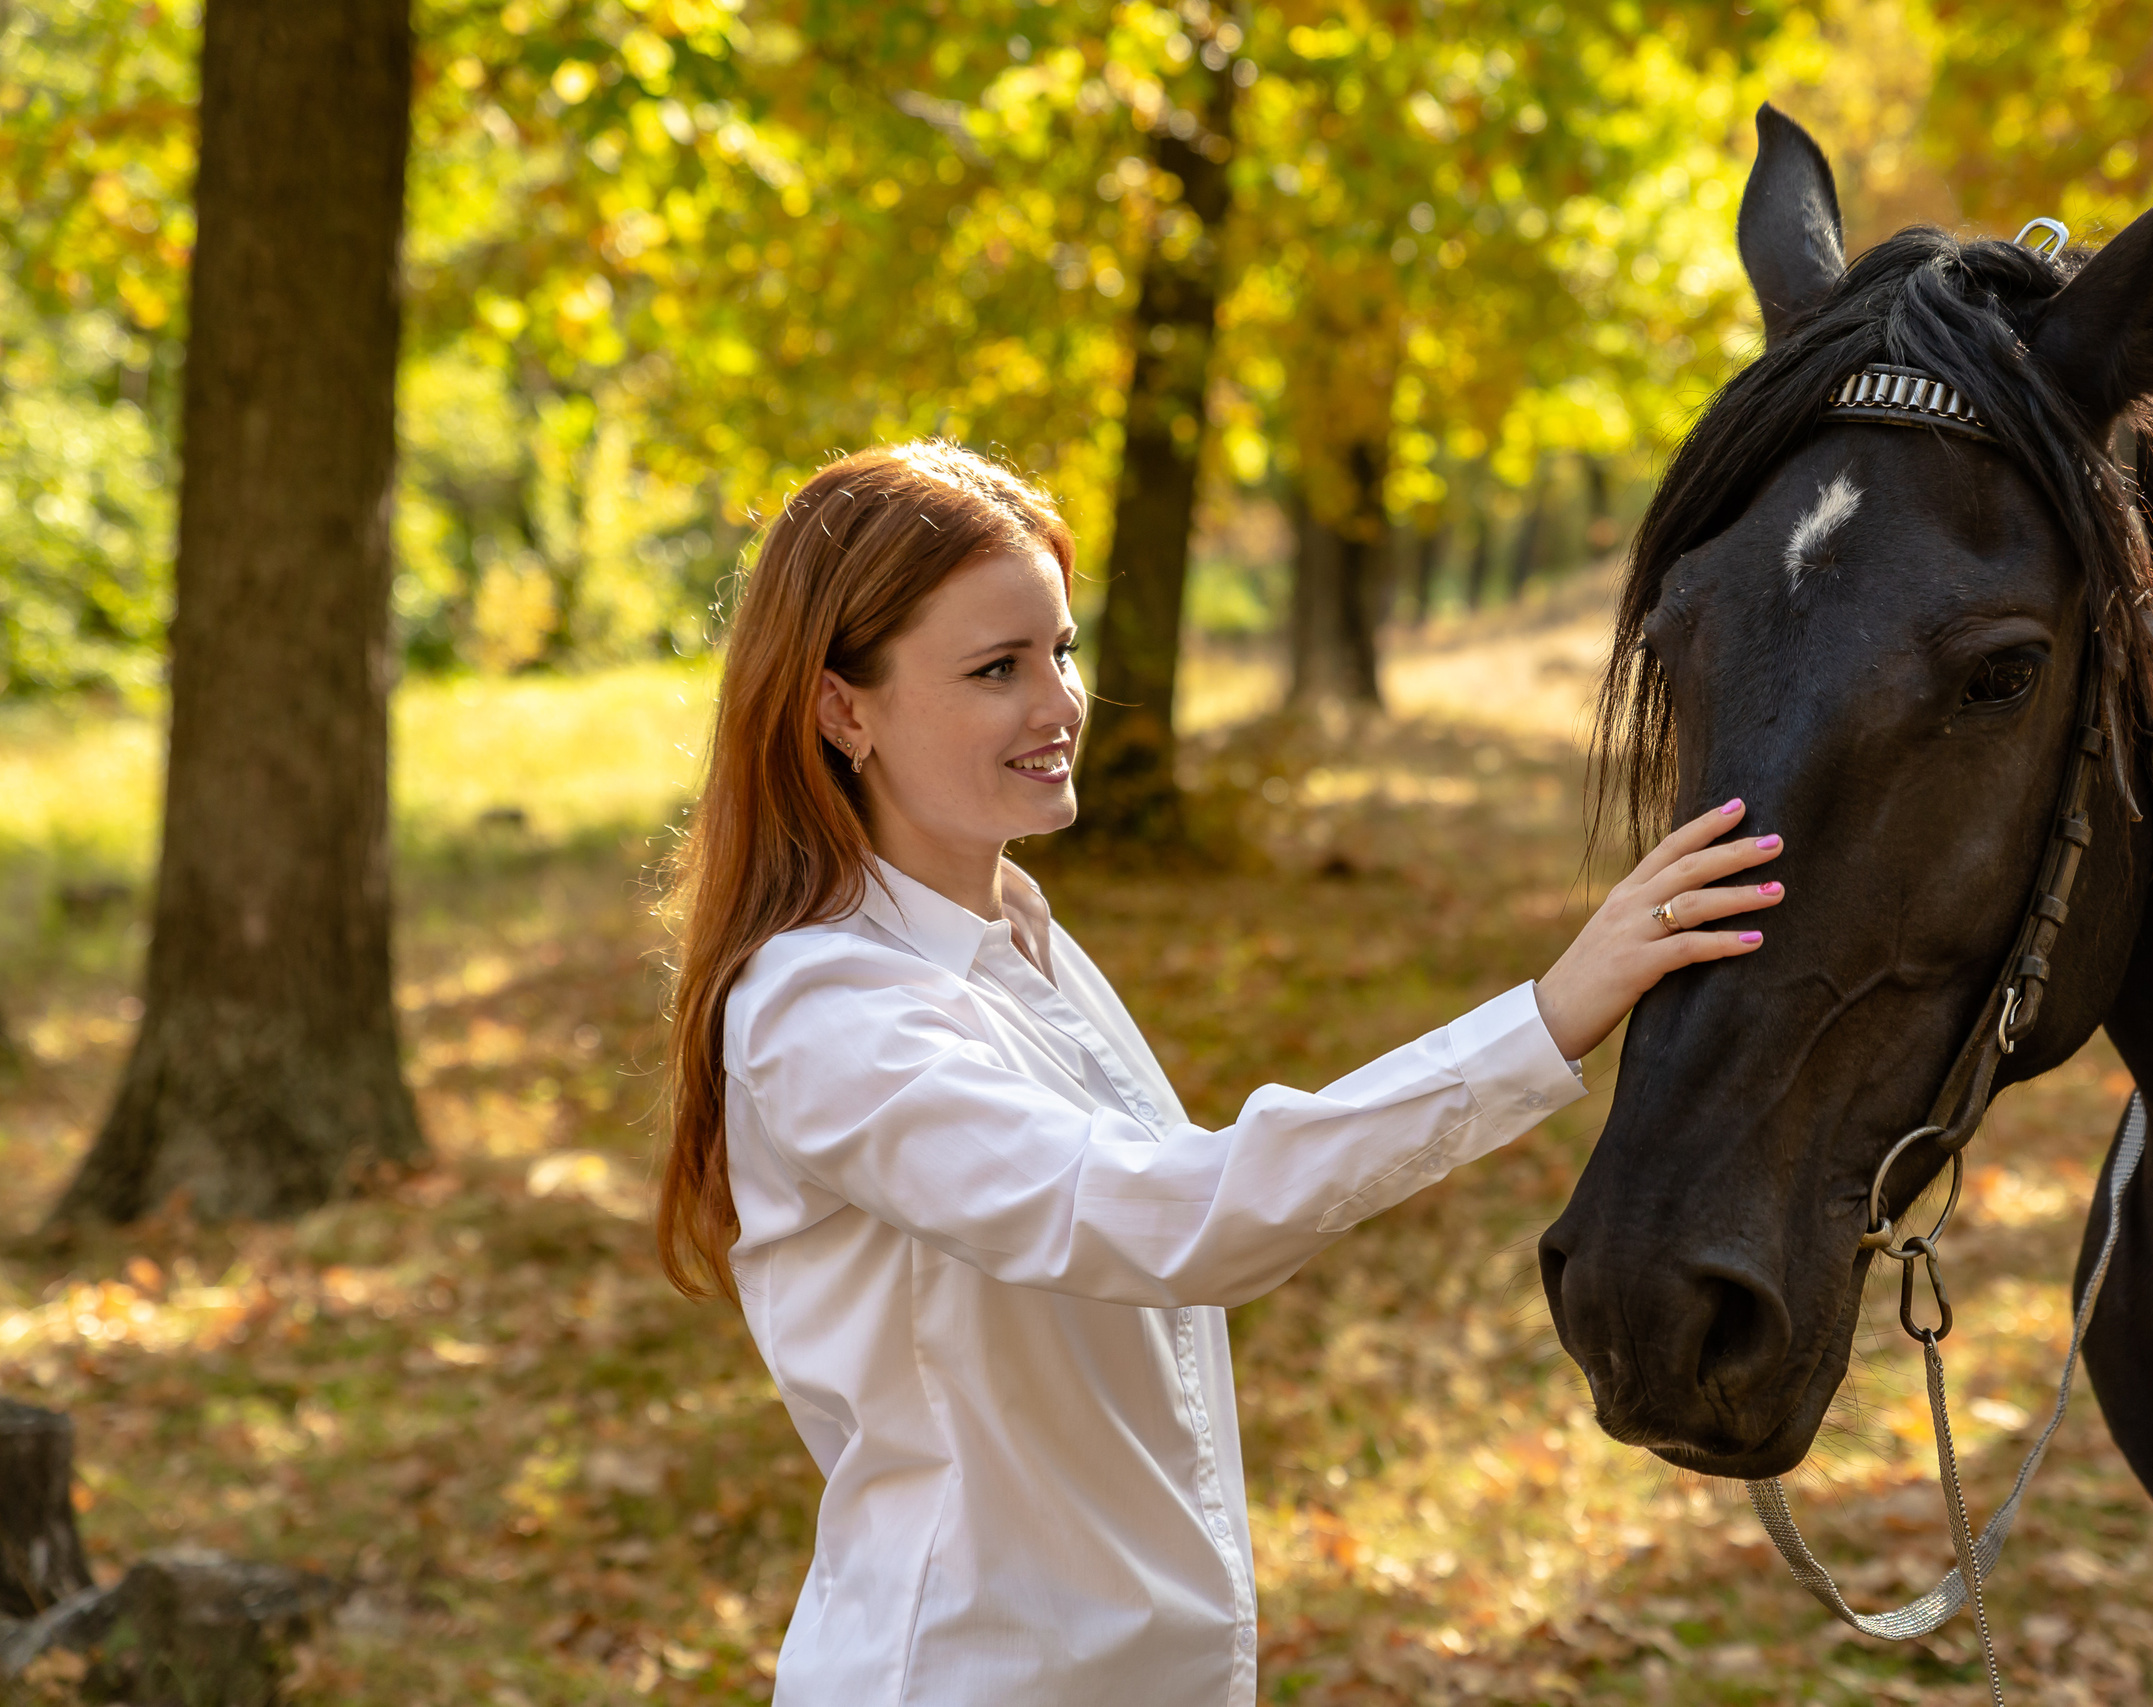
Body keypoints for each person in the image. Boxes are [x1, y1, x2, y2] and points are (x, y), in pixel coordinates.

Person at [657, 442, 1786, 1706]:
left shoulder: (1017, 936)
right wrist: (1545, 1018)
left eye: (1061, 649)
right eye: (994, 670)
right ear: (839, 709)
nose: (1059, 705)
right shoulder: (827, 1013)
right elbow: (1171, 1217)